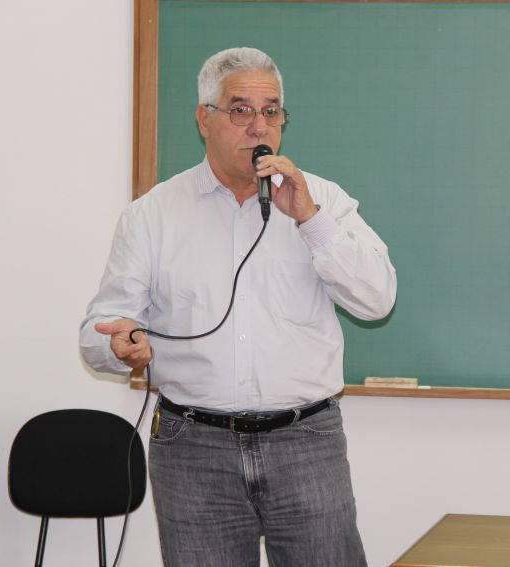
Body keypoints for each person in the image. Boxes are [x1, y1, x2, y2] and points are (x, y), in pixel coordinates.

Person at [80, 46, 396, 567]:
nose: (259, 126)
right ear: (205, 119)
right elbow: (101, 329)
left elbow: (377, 300)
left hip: (306, 441)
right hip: (192, 447)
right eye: (241, 109)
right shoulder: (152, 215)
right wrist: (119, 346)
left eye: (271, 111)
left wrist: (311, 221)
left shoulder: (322, 199)